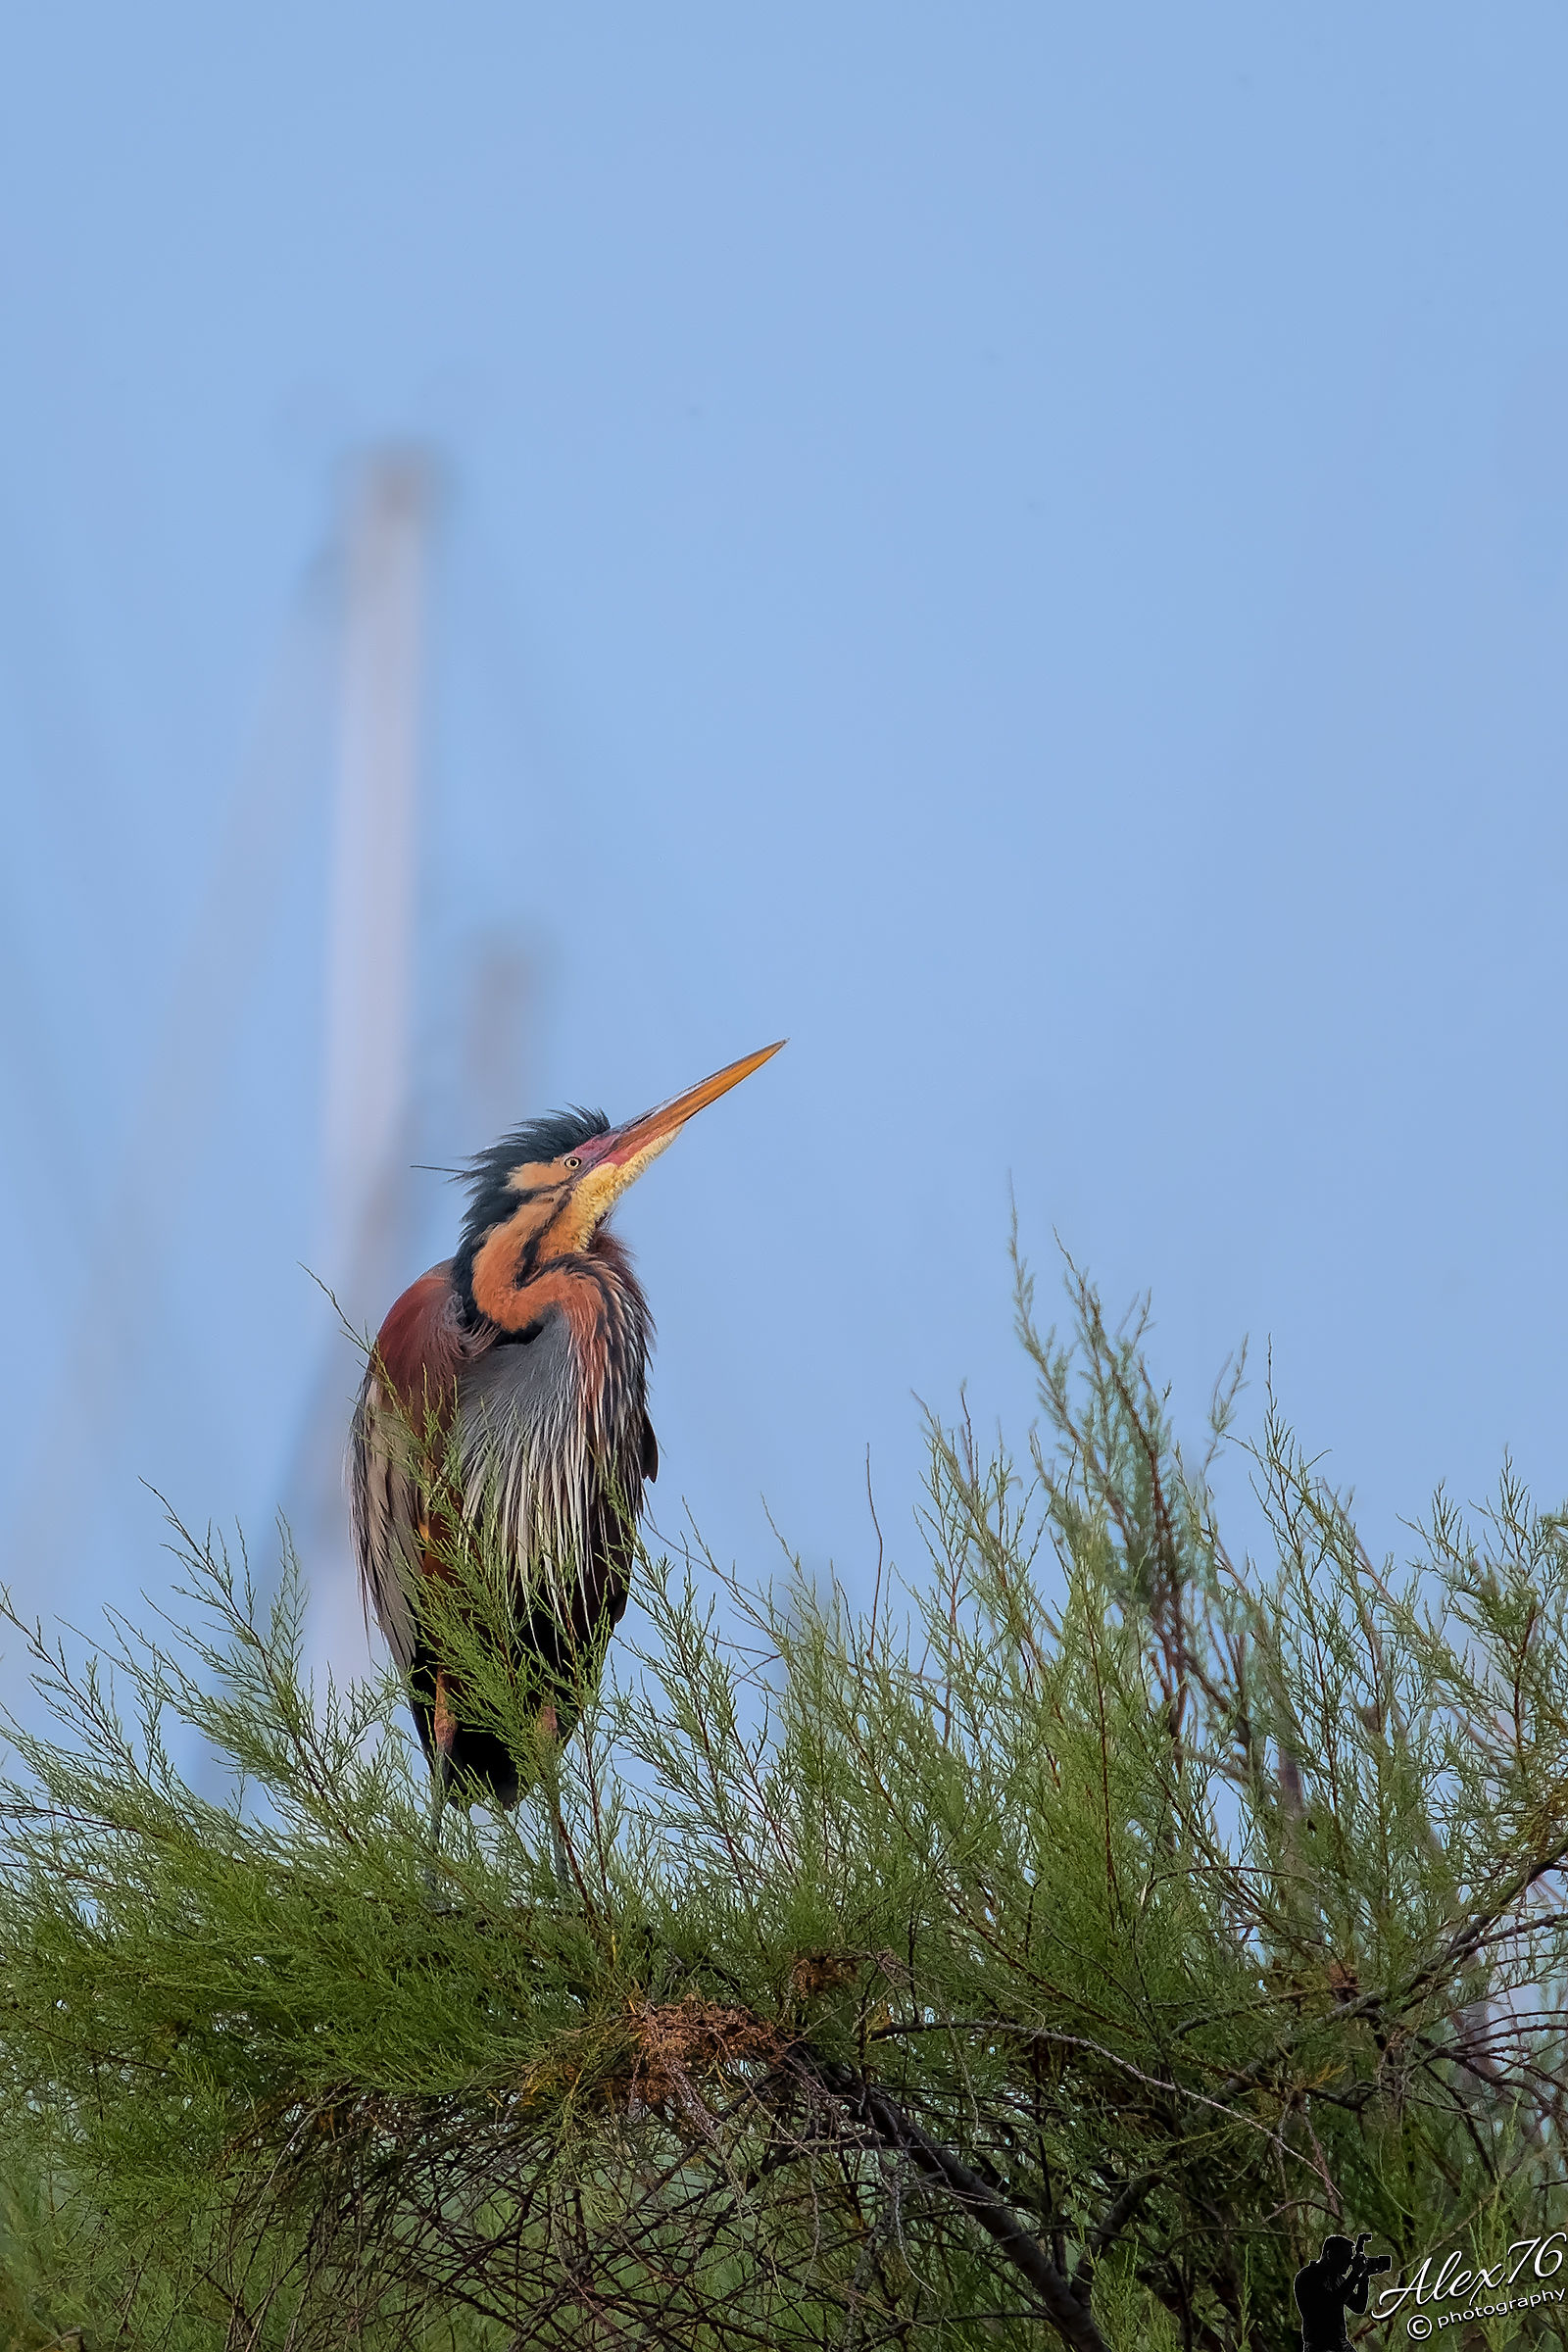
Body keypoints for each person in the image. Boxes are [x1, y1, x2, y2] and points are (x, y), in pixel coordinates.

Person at [1294, 2234, 1372, 2351]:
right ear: (1330, 2255)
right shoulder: (1308, 2276)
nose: (1349, 2263)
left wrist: (1364, 2276)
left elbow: (1358, 2307)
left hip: (1340, 2342)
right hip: (1319, 2345)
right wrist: (1355, 2274)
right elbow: (1331, 2304)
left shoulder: (1337, 2278)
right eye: (1345, 2258)